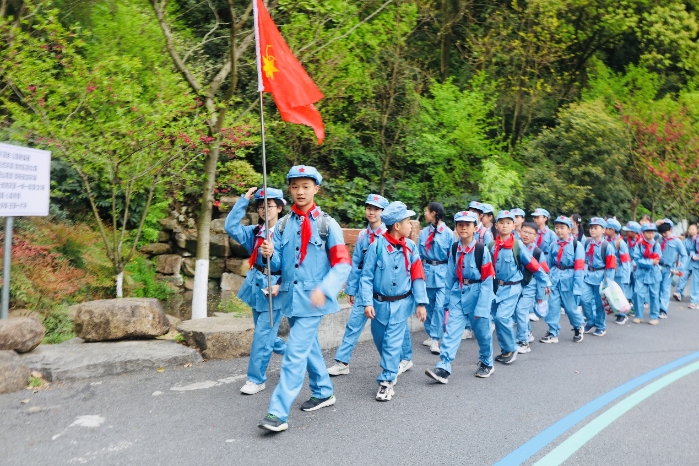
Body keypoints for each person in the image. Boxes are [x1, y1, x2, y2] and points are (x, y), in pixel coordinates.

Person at [257, 166, 352, 433]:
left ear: (316, 189)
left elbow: (343, 263)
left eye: (306, 186)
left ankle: (277, 412)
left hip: (313, 301)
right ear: (290, 189)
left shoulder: (326, 224)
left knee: (294, 354)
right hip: (290, 299)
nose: (300, 191)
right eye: (295, 186)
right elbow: (277, 266)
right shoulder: (284, 225)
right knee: (308, 348)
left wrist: (326, 288)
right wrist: (270, 252)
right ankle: (323, 391)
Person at [361, 202, 428, 401]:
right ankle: (393, 365)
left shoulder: (411, 247)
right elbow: (366, 277)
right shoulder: (377, 247)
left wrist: (421, 303)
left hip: (401, 305)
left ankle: (386, 382)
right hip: (379, 305)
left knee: (391, 343)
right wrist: (367, 302)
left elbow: (417, 276)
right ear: (397, 225)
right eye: (408, 221)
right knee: (381, 341)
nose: (411, 225)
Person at [225, 187, 286, 395]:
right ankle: (295, 356)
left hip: (274, 289)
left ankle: (256, 379)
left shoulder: (287, 234)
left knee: (262, 336)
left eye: (269, 205)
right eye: (260, 206)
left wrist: (273, 253)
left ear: (279, 207)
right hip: (256, 288)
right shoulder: (254, 232)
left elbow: (293, 264)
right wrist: (243, 201)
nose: (264, 209)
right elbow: (230, 226)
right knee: (268, 335)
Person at [425, 211, 495, 383]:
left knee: (483, 334)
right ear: (456, 227)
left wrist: (482, 307)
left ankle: (487, 362)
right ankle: (443, 366)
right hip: (459, 293)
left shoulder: (481, 250)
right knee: (451, 332)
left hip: (478, 294)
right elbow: (450, 276)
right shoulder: (455, 248)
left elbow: (487, 281)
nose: (463, 227)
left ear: (475, 227)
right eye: (460, 224)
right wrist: (447, 300)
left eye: (468, 224)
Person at [327, 194, 390, 376]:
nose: (371, 212)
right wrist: (351, 289)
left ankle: (403, 358)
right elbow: (356, 264)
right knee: (353, 325)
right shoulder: (363, 235)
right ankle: (342, 362)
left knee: (390, 327)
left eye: (376, 209)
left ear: (383, 212)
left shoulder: (388, 235)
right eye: (369, 208)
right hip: (364, 289)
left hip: (384, 291)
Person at [489, 210, 551, 364]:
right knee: (498, 319)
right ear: (496, 225)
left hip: (512, 288)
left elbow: (533, 265)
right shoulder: (491, 245)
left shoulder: (517, 245)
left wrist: (545, 282)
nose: (504, 226)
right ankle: (506, 351)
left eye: (508, 223)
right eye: (501, 223)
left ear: (513, 225)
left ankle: (512, 348)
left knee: (502, 317)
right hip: (497, 289)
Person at [540, 216, 586, 343]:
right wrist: (546, 281)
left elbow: (579, 267)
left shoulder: (577, 245)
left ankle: (578, 326)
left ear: (569, 229)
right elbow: (548, 264)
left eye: (562, 228)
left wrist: (577, 287)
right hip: (555, 278)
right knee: (553, 306)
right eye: (557, 228)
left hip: (569, 279)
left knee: (570, 308)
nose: (559, 231)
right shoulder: (554, 244)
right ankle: (553, 331)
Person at [418, 202, 453, 355]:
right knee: (428, 306)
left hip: (442, 272)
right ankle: (431, 333)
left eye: (426, 211)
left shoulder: (448, 233)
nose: (425, 214)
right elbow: (418, 255)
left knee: (439, 306)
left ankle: (435, 338)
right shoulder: (424, 233)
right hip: (426, 271)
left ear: (433, 213)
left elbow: (453, 258)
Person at [514, 221, 549, 353]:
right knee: (518, 312)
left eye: (530, 233)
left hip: (530, 287)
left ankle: (523, 342)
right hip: (515, 285)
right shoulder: (514, 246)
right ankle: (527, 332)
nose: (527, 235)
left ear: (535, 236)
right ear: (519, 231)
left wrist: (540, 295)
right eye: (525, 231)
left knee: (521, 311)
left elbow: (543, 273)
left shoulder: (537, 252)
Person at [580, 217, 617, 337]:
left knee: (599, 303)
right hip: (587, 276)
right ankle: (590, 321)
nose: (592, 230)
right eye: (591, 227)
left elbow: (611, 266)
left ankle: (600, 326)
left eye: (596, 228)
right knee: (584, 299)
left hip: (600, 277)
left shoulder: (607, 246)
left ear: (603, 230)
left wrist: (608, 282)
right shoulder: (586, 243)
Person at [631, 223, 662, 325]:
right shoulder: (639, 244)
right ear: (643, 233)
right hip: (641, 273)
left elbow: (657, 259)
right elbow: (637, 259)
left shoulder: (656, 244)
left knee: (654, 295)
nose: (650, 234)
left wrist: (649, 261)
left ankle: (654, 316)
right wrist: (649, 262)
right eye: (648, 232)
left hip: (654, 273)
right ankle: (638, 315)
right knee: (638, 293)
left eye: (652, 232)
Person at [657, 221, 688, 319]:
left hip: (669, 269)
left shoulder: (676, 241)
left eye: (665, 232)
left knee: (665, 289)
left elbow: (684, 255)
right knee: (657, 288)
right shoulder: (660, 239)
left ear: (670, 230)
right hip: (658, 266)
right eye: (662, 233)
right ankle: (656, 308)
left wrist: (679, 269)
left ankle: (663, 310)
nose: (664, 235)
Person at [605, 219, 632, 325]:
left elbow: (626, 261)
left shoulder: (620, 243)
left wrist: (626, 277)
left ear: (612, 230)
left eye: (606, 228)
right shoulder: (606, 240)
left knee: (620, 293)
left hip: (619, 272)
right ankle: (617, 311)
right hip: (609, 270)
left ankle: (622, 315)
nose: (605, 230)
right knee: (611, 293)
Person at [675, 223, 699, 308]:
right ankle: (694, 301)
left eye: (693, 229)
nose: (691, 231)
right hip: (694, 262)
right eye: (690, 229)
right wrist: (693, 255)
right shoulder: (694, 239)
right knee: (694, 282)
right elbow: (691, 249)